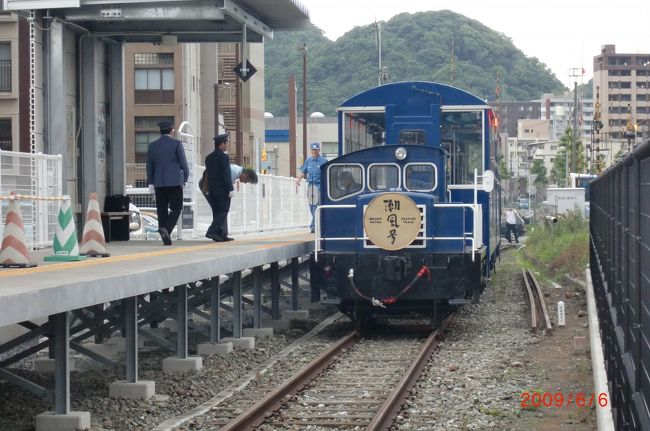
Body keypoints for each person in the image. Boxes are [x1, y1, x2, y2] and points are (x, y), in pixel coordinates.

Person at [146, 120, 189, 246]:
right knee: (176, 208)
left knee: (162, 209)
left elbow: (149, 166)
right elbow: (183, 163)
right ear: (172, 131)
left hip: (158, 183)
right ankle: (166, 229)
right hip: (174, 182)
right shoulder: (176, 144)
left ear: (160, 132)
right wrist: (185, 177)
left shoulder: (152, 146)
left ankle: (165, 234)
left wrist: (151, 182)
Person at [204, 133, 234, 242]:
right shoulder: (224, 157)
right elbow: (226, 174)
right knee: (223, 211)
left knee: (216, 212)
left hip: (212, 189)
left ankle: (220, 234)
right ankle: (211, 231)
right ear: (221, 144)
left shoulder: (208, 158)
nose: (227, 145)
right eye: (226, 143)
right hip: (222, 190)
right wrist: (230, 189)